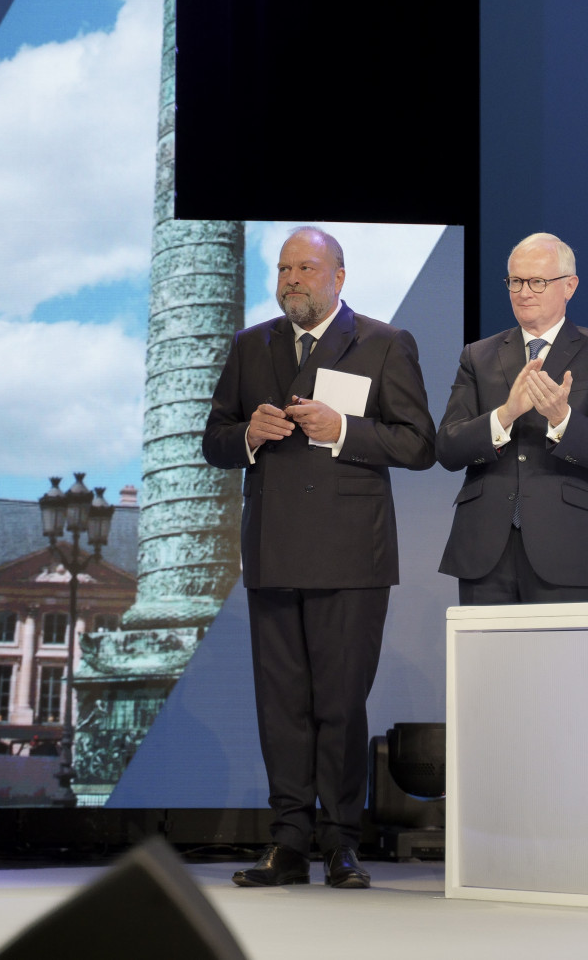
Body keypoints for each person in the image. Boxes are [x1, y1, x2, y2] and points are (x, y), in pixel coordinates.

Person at [202, 226, 436, 889]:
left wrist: (346, 432)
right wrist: (244, 434)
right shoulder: (252, 346)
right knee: (281, 705)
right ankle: (287, 843)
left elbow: (419, 444)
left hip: (350, 556)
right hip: (273, 548)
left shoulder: (384, 343)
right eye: (283, 268)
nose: (292, 278)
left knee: (339, 703)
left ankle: (340, 842)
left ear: (338, 276)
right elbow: (212, 439)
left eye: (306, 267)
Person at [437, 232, 588, 604]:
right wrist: (505, 414)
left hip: (567, 549)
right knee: (488, 664)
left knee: (560, 663)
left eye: (538, 281)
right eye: (515, 281)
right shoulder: (478, 356)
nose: (524, 292)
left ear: (569, 286)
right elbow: (447, 448)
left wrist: (562, 419)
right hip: (484, 551)